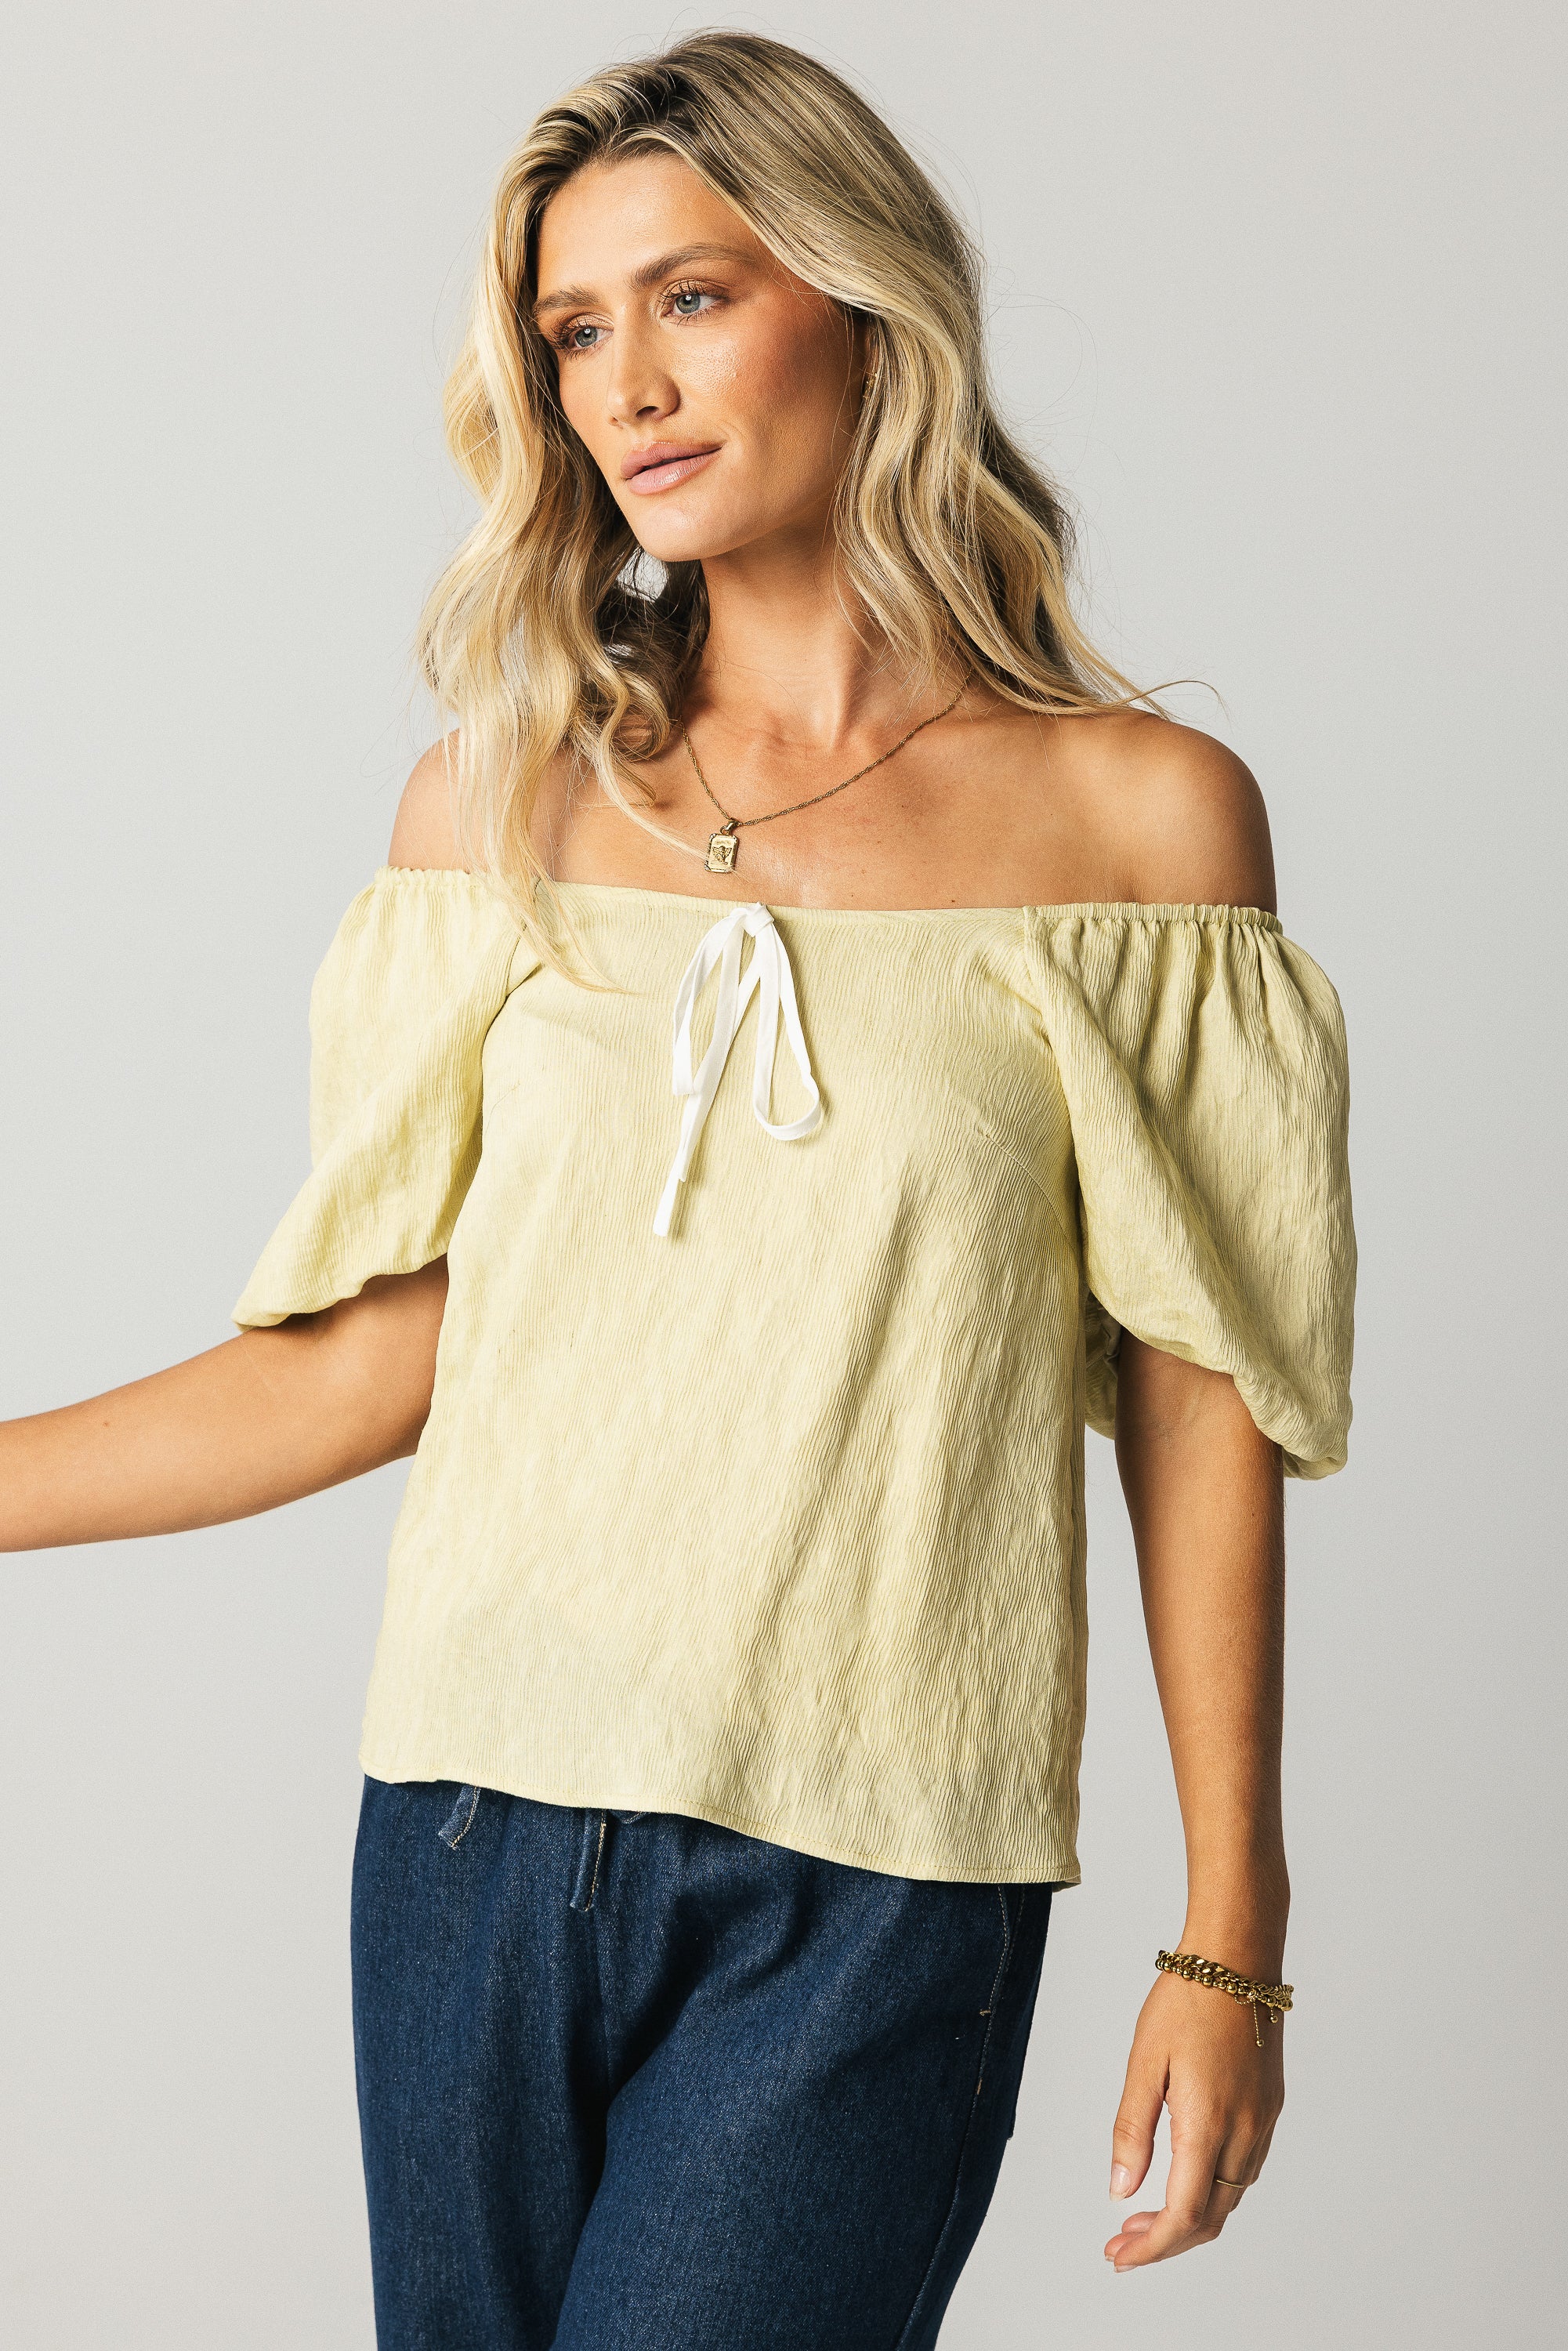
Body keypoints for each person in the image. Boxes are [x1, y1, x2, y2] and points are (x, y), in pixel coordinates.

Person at [0, 30, 1355, 2350]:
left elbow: (1198, 1386)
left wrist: (1232, 1928)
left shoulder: (1139, 825)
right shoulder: (496, 810)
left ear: (862, 304)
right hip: (469, 1830)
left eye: (692, 298)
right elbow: (369, 1358)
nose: (623, 385)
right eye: (571, 331)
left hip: (881, 1868)